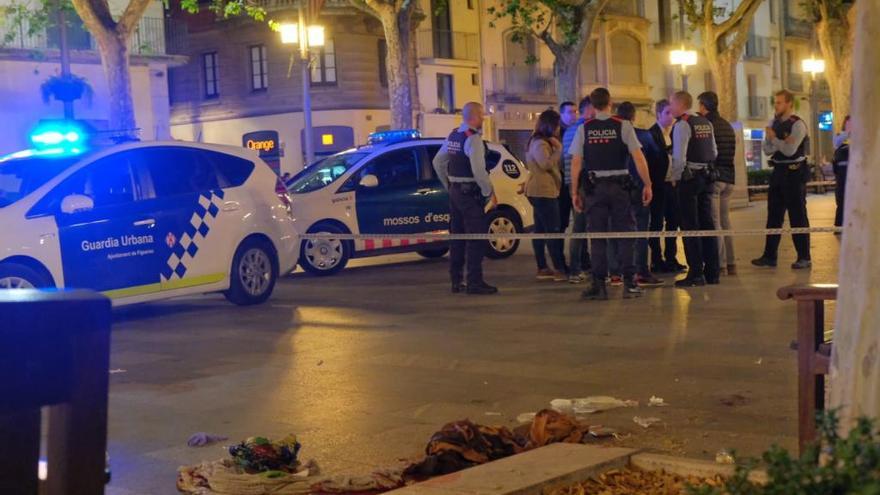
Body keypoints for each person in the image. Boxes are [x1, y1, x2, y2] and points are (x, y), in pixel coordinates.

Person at [570, 87, 652, 300]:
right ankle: (629, 283)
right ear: (610, 103)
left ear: (592, 105)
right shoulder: (623, 125)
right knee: (625, 235)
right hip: (620, 188)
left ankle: (599, 285)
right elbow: (639, 158)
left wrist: (574, 192)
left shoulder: (584, 129)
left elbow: (576, 163)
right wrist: (647, 184)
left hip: (594, 188)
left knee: (597, 237)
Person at [433, 102, 498, 295]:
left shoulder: (454, 135)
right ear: (476, 116)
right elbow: (479, 171)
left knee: (457, 238)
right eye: (483, 116)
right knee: (475, 238)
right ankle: (475, 282)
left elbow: (438, 162)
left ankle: (456, 280)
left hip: (455, 193)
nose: (484, 120)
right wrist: (488, 192)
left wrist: (449, 184)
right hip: (470, 195)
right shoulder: (473, 139)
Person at [752, 90, 812, 269]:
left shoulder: (798, 125)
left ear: (789, 104)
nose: (776, 106)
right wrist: (774, 140)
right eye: (775, 103)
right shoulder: (774, 123)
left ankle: (804, 256)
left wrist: (774, 139)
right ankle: (769, 256)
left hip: (794, 173)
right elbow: (767, 150)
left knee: (797, 215)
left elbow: (790, 150)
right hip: (778, 171)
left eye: (779, 103)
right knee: (773, 215)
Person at [669, 91, 720, 287]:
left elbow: (679, 157)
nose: (671, 107)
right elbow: (713, 151)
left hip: (689, 180)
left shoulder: (683, 125)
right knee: (708, 224)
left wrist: (675, 177)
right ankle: (713, 272)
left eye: (672, 103)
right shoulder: (705, 122)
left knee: (690, 226)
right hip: (707, 177)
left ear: (680, 104)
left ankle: (696, 273)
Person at [617, 101, 664, 288]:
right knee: (641, 229)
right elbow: (657, 158)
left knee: (619, 230)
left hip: (618, 188)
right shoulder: (643, 135)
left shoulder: (613, 135)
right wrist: (649, 183)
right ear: (634, 116)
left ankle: (619, 271)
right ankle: (641, 271)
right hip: (638, 186)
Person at [698, 91, 738, 276]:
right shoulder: (727, 125)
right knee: (725, 221)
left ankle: (720, 264)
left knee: (715, 223)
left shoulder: (707, 126)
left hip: (714, 179)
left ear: (704, 106)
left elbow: (709, 153)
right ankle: (731, 263)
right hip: (729, 178)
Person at [524, 109, 567, 281]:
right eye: (557, 125)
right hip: (544, 192)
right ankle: (558, 269)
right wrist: (559, 150)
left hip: (540, 191)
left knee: (541, 230)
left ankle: (542, 267)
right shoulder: (540, 143)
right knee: (553, 230)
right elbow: (545, 164)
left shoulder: (535, 141)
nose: (558, 129)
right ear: (551, 126)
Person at [647, 100, 686, 274]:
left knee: (673, 222)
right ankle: (656, 259)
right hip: (658, 185)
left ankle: (671, 258)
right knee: (656, 223)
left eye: (672, 113)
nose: (671, 117)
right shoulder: (651, 134)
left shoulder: (675, 132)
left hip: (673, 185)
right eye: (667, 113)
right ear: (658, 114)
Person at [563, 96, 594, 283]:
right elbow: (580, 160)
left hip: (572, 182)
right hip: (582, 183)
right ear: (588, 109)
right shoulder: (584, 129)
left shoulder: (569, 131)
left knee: (579, 227)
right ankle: (575, 269)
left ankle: (578, 268)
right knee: (581, 227)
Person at [558, 101, 578, 237]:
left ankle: (583, 255)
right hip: (561, 183)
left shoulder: (578, 130)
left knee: (579, 222)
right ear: (561, 114)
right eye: (570, 112)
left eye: (575, 112)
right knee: (561, 221)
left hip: (575, 180)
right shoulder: (556, 132)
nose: (573, 115)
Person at [833, 115, 851, 229]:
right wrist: (848, 133)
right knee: (841, 198)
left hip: (854, 171)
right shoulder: (840, 135)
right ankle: (839, 225)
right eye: (849, 123)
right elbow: (836, 143)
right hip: (842, 172)